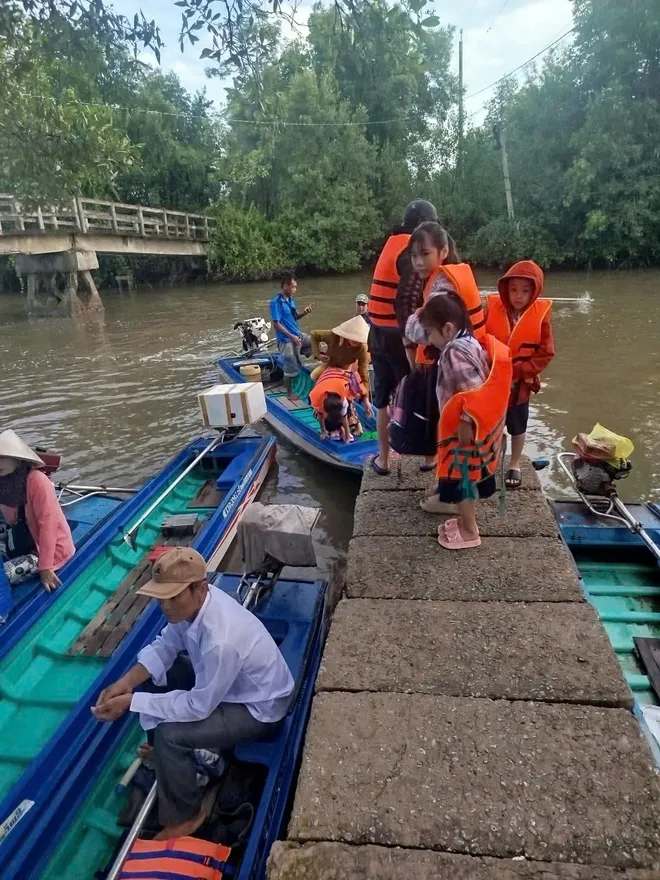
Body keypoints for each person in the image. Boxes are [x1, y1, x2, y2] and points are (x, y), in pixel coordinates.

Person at [91, 547, 295, 840]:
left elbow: (199, 706)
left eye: (173, 597)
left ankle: (187, 815)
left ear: (200, 588)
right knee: (154, 681)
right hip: (225, 687)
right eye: (162, 598)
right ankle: (164, 759)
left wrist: (132, 702)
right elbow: (166, 645)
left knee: (170, 735)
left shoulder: (220, 640)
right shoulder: (192, 609)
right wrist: (127, 683)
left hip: (257, 708)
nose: (166, 606)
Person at [417, 293, 512, 550]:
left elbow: (473, 388)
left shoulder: (452, 353)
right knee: (465, 479)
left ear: (447, 329)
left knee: (461, 481)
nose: (429, 340)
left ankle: (470, 531)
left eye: (430, 333)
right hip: (475, 426)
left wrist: (465, 421)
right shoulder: (470, 342)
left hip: (464, 430)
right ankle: (464, 522)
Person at [402, 221, 486, 474]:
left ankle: (448, 488)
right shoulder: (454, 275)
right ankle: (450, 482)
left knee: (447, 427)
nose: (418, 262)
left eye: (425, 254)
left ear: (444, 251)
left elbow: (419, 331)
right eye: (414, 256)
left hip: (453, 367)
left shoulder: (442, 287)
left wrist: (414, 318)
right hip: (469, 358)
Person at [368, 199, 439, 477]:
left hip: (377, 334)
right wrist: (412, 347)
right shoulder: (412, 249)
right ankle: (430, 458)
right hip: (399, 336)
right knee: (420, 392)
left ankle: (384, 460)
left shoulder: (391, 243)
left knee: (383, 399)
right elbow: (405, 302)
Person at [485, 260, 554, 488]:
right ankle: (490, 462)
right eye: (513, 289)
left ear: (534, 292)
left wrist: (521, 371)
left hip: (520, 385)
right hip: (492, 379)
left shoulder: (541, 314)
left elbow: (545, 353)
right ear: (505, 289)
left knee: (518, 425)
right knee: (491, 424)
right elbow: (479, 341)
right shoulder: (492, 307)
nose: (518, 296)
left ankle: (514, 463)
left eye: (525, 290)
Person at [0, 429, 74, 593]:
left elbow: (48, 526)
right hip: (18, 539)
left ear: (17, 459)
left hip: (46, 549)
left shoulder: (37, 481)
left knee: (2, 577)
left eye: (2, 457)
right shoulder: (3, 482)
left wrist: (45, 567)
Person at [309, 317, 372, 418]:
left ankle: (349, 415)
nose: (356, 341)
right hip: (330, 365)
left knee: (347, 393)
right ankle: (317, 406)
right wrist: (318, 354)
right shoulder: (333, 336)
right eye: (354, 337)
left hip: (345, 371)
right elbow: (314, 335)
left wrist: (366, 400)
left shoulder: (362, 349)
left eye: (359, 339)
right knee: (313, 376)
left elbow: (363, 373)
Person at [270, 272, 314, 400]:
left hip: (297, 334)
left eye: (295, 287)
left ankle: (302, 354)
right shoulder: (276, 302)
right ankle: (289, 393)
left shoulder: (291, 300)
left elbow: (294, 318)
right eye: (293, 287)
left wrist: (304, 313)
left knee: (314, 341)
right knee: (290, 362)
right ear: (285, 286)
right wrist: (291, 337)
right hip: (285, 339)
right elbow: (276, 324)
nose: (295, 289)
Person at [310, 366, 367, 441]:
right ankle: (335, 429)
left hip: (343, 377)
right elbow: (320, 416)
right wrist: (323, 431)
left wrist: (347, 436)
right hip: (326, 380)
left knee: (350, 404)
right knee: (317, 413)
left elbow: (344, 418)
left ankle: (342, 428)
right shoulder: (316, 398)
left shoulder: (343, 402)